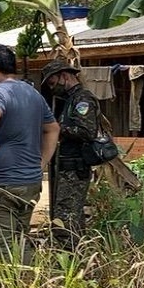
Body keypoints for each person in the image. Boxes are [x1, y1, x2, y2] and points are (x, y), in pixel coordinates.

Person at [0, 45, 60, 261]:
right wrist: (41, 162)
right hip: (28, 183)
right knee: (19, 243)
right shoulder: (32, 93)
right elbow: (53, 128)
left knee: (2, 254)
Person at [41, 59, 100, 249]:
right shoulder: (69, 100)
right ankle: (78, 256)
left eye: (52, 83)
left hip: (76, 168)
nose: (52, 88)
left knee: (65, 218)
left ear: (64, 76)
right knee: (71, 216)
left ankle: (69, 261)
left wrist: (57, 129)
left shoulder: (82, 99)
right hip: (66, 167)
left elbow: (87, 131)